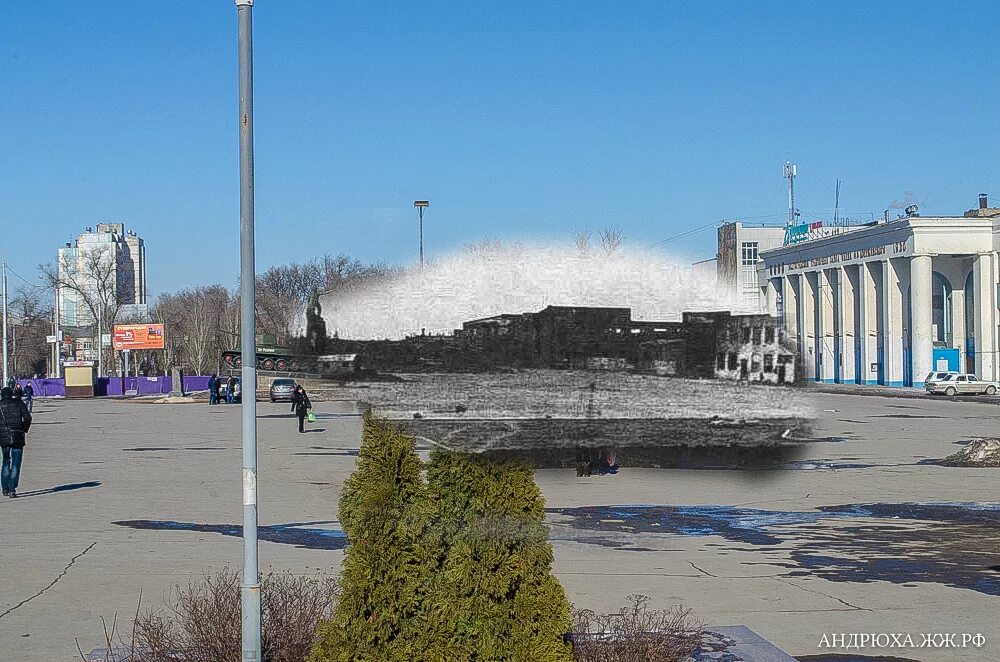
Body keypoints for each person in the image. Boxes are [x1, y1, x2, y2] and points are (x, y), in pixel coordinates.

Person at [0, 386, 32, 498]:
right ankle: (12, 489)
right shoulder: (19, 403)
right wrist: (24, 428)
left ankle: (4, 489)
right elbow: (28, 418)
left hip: (4, 439)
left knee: (5, 462)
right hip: (18, 437)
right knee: (16, 465)